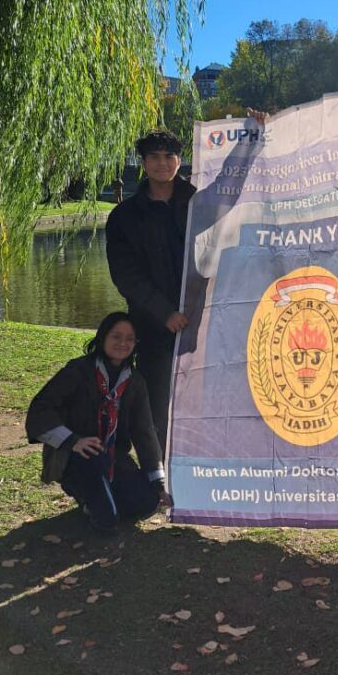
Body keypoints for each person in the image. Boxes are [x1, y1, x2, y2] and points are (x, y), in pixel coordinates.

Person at [26, 313, 166, 533]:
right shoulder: (78, 370)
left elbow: (144, 431)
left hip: (113, 458)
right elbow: (40, 409)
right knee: (107, 523)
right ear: (102, 338)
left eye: (130, 339)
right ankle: (86, 495)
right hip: (76, 456)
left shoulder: (135, 381)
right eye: (116, 336)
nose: (123, 343)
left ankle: (103, 496)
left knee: (147, 502)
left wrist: (158, 483)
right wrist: (73, 441)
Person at [106, 129, 196, 449]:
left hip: (202, 322)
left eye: (168, 156)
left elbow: (242, 200)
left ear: (179, 160)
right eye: (154, 157)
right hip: (154, 327)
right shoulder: (124, 217)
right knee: (158, 403)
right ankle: (160, 477)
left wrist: (256, 138)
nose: (162, 164)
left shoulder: (200, 204)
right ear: (143, 163)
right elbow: (126, 276)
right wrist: (164, 313)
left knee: (204, 401)